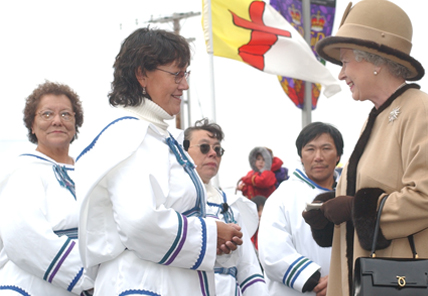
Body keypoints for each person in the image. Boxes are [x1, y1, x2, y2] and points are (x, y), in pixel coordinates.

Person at [303, 1, 428, 295]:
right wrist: (330, 208)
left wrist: (355, 207)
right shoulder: (379, 117)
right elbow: (379, 190)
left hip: (405, 284)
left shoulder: (420, 111)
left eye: (345, 62)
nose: (341, 74)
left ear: (375, 61)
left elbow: (427, 199)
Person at [75, 27, 243, 295]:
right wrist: (210, 233)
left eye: (185, 74)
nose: (185, 85)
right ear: (142, 74)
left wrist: (217, 237)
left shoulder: (156, 135)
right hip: (143, 283)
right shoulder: (130, 134)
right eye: (177, 74)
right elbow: (139, 222)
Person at [0, 81, 94, 295]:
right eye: (47, 114)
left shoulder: (88, 172)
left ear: (75, 123)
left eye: (66, 115)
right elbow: (24, 237)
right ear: (32, 125)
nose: (57, 121)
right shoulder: (22, 170)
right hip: (32, 286)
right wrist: (89, 277)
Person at [184, 118, 268, 296]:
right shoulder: (172, 201)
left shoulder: (231, 206)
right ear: (183, 151)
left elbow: (248, 267)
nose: (213, 153)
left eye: (218, 149)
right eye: (204, 147)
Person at [258, 122, 344, 296]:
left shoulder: (349, 196)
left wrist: (341, 279)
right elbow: (272, 254)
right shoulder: (283, 196)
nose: (318, 157)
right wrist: (315, 280)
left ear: (338, 156)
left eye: (326, 148)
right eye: (310, 149)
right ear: (301, 155)